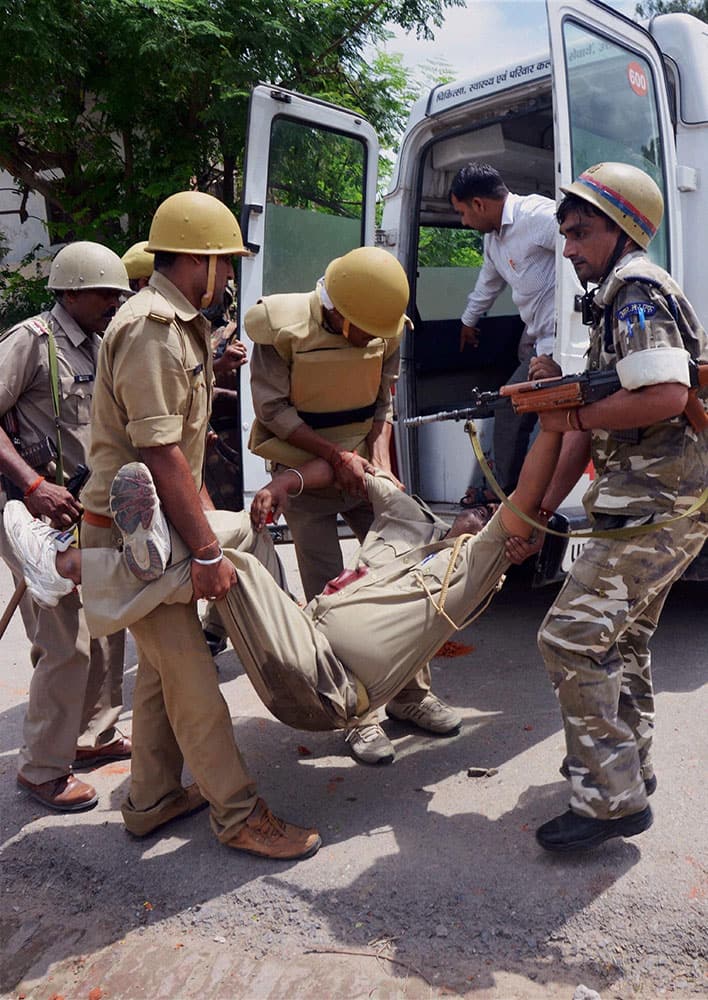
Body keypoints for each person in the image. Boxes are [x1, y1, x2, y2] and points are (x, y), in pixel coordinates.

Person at [5, 423, 564, 748]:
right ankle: (140, 552)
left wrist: (558, 422)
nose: (486, 512)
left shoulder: (471, 569)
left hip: (329, 690)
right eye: (483, 505)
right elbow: (353, 467)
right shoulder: (412, 517)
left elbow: (526, 499)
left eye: (494, 512)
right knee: (241, 534)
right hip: (302, 632)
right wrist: (285, 484)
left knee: (226, 565)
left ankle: (69, 565)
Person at [78, 190, 321, 861]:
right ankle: (238, 814)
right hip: (135, 541)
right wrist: (210, 551)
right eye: (225, 263)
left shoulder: (177, 324)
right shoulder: (152, 327)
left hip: (155, 531)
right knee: (192, 682)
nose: (231, 277)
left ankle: (152, 798)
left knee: (161, 675)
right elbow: (158, 454)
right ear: (197, 260)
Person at [525, 162, 707, 852]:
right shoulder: (615, 294)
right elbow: (592, 420)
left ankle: (611, 802)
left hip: (654, 508)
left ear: (621, 228)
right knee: (621, 640)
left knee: (569, 638)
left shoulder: (633, 290)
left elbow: (663, 393)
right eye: (565, 233)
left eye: (580, 232)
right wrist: (542, 502)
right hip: (661, 505)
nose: (568, 247)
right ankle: (629, 769)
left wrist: (571, 410)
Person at [246, 247, 461, 765]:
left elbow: (383, 400)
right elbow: (271, 408)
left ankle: (410, 695)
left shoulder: (385, 324)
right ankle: (356, 715)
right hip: (303, 475)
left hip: (364, 471)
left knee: (405, 581)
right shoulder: (280, 328)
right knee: (332, 598)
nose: (373, 340)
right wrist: (331, 455)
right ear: (336, 311)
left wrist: (380, 462)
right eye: (362, 330)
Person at [0, 241, 131, 813]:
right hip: (32, 517)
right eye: (107, 293)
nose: (115, 303)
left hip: (87, 515)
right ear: (73, 290)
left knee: (106, 628)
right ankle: (41, 770)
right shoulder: (31, 342)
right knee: (63, 643)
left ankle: (92, 735)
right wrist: (32, 485)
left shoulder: (102, 346)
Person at [450, 163, 557, 506]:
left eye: (463, 212)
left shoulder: (537, 216)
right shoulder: (493, 241)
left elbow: (584, 254)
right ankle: (506, 494)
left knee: (551, 422)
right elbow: (488, 284)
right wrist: (468, 323)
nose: (463, 221)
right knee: (508, 407)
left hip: (569, 346)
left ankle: (535, 500)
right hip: (542, 345)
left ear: (479, 204)